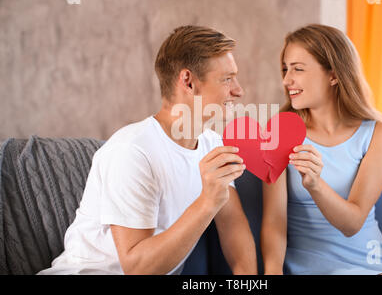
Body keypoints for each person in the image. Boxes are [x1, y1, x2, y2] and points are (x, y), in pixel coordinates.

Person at [38, 25, 257, 275]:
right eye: (227, 79)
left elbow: (234, 232)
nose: (239, 90)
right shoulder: (132, 151)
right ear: (188, 81)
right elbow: (137, 268)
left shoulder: (212, 145)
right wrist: (207, 202)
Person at [261, 24, 382, 275]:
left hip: (373, 261)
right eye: (286, 69)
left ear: (333, 75)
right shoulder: (278, 133)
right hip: (311, 265)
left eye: (298, 69)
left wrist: (315, 184)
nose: (287, 80)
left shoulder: (379, 135)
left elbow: (352, 223)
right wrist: (272, 273)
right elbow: (274, 221)